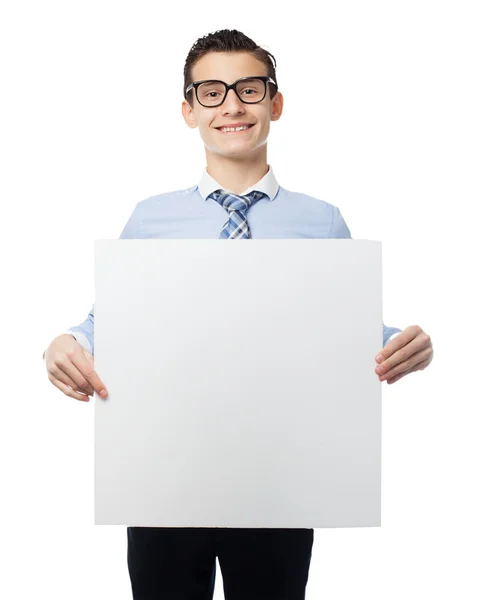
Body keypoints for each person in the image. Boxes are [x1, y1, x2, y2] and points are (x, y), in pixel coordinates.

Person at [43, 28, 434, 600]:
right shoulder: (150, 219)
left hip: (277, 477)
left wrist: (406, 345)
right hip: (164, 473)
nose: (231, 104)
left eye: (249, 89)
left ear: (275, 103)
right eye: (211, 92)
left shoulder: (322, 221)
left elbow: (342, 331)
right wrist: (66, 341)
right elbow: (110, 321)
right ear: (188, 111)